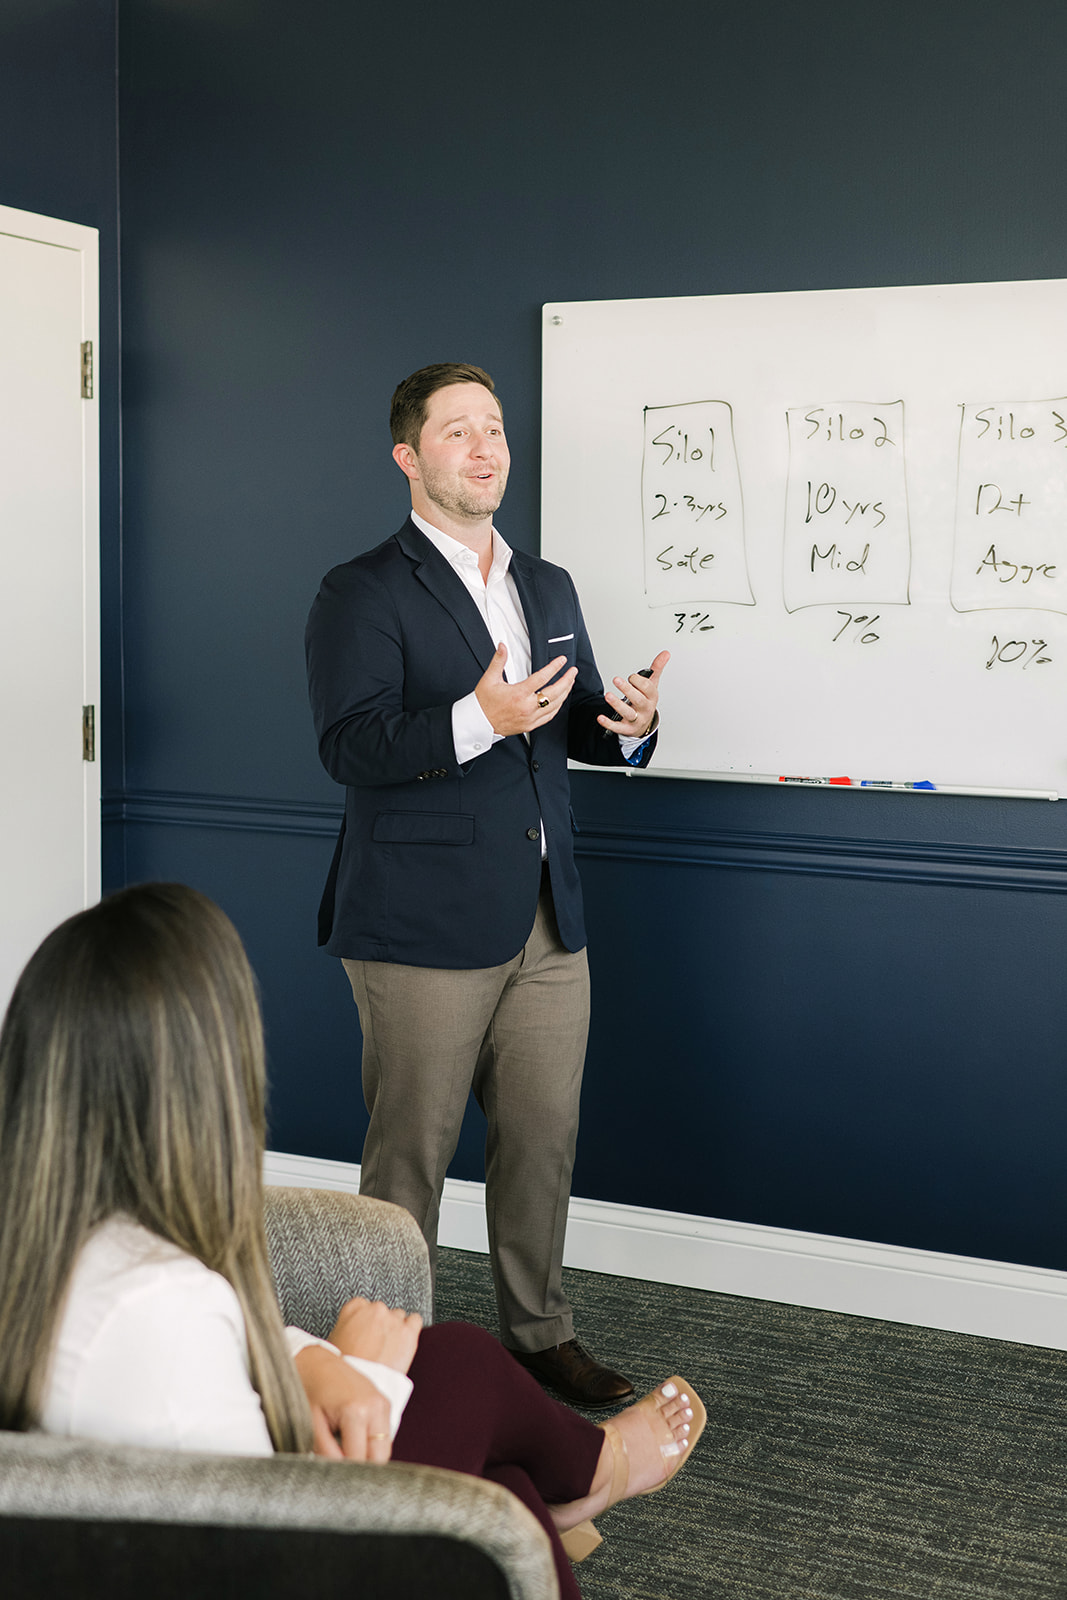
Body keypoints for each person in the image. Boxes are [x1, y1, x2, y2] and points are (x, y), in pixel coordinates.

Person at [0, 884, 705, 1599]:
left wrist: (308, 1360)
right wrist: (365, 1373)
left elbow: (203, 1369)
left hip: (212, 1511)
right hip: (279, 1551)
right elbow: (270, 1539)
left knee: (491, 1451)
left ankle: (574, 1484)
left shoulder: (67, 1244)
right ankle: (595, 1468)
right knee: (475, 1408)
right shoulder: (158, 1303)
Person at [305, 362, 669, 1406]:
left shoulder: (545, 584)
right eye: (456, 430)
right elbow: (348, 744)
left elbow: (566, 721)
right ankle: (386, 1358)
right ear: (407, 457)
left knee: (542, 1142)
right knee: (408, 1159)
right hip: (417, 921)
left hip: (549, 918)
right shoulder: (361, 588)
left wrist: (626, 727)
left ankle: (538, 1333)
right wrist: (477, 720)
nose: (483, 447)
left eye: (494, 428)